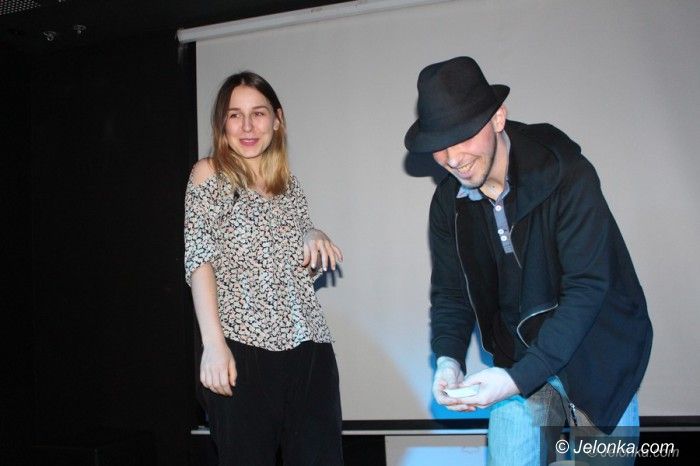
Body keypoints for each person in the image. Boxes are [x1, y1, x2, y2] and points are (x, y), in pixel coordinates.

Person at [404, 57, 653, 466]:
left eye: (462, 137)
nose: (452, 158)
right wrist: (448, 358)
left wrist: (513, 380)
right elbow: (451, 292)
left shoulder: (567, 174)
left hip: (597, 356)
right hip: (519, 359)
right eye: (439, 145)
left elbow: (587, 288)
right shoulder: (448, 203)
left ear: (497, 118)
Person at [184, 71, 344, 466]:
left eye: (258, 113)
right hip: (241, 347)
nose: (247, 126)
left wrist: (313, 234)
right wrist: (213, 345)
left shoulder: (290, 185)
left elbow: (299, 268)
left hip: (309, 347)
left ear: (277, 119)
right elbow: (199, 259)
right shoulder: (208, 173)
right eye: (235, 115)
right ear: (222, 123)